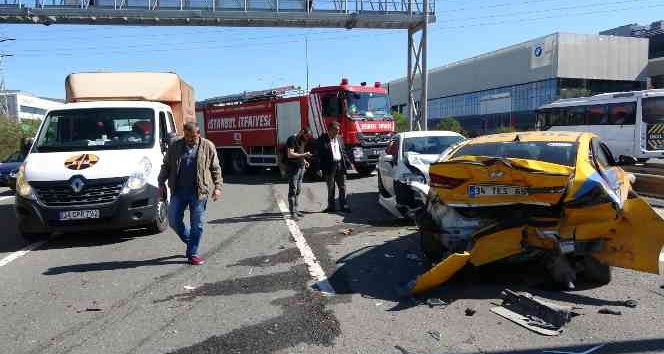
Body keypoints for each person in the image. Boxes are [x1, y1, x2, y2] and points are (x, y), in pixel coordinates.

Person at [158, 122, 223, 265]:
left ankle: (193, 253)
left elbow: (215, 168)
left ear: (198, 134)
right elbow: (166, 166)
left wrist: (218, 187)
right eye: (187, 136)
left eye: (192, 136)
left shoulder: (207, 146)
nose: (189, 139)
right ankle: (191, 241)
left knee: (197, 224)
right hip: (179, 191)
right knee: (173, 220)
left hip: (199, 192)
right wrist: (161, 182)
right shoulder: (175, 146)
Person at [317, 121, 351, 213]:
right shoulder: (322, 139)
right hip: (329, 166)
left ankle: (343, 205)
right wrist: (318, 168)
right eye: (336, 130)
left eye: (338, 130)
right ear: (330, 130)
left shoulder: (339, 138)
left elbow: (343, 152)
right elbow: (318, 155)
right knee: (331, 187)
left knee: (342, 186)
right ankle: (331, 207)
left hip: (340, 165)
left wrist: (348, 163)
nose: (338, 132)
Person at [284, 128, 313, 219]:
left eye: (308, 137)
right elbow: (290, 154)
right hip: (293, 168)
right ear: (302, 132)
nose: (307, 138)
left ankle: (296, 209)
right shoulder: (292, 139)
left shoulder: (302, 140)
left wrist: (304, 161)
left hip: (301, 167)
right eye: (306, 136)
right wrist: (304, 155)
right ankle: (292, 212)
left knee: (298, 190)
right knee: (293, 189)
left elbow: (299, 152)